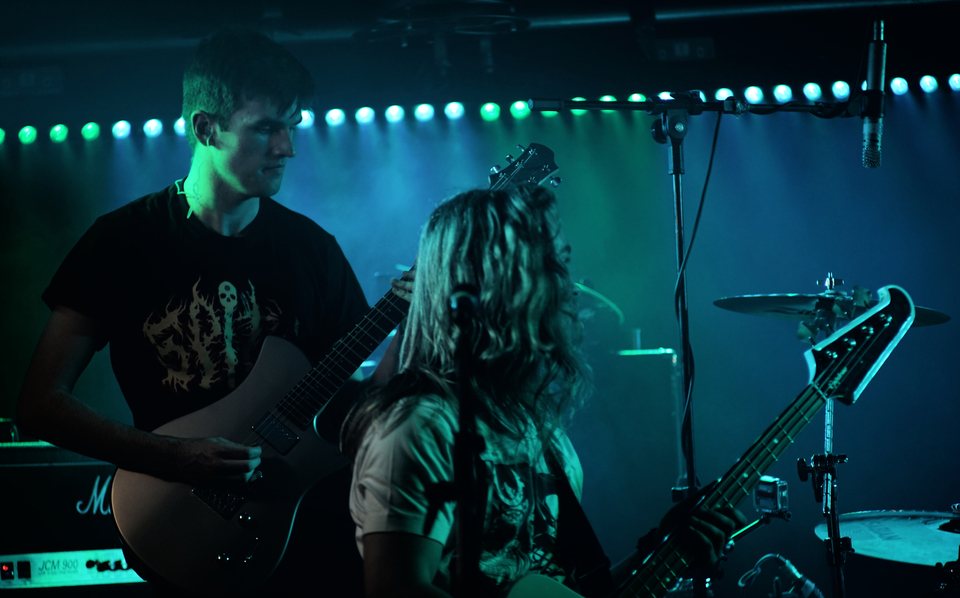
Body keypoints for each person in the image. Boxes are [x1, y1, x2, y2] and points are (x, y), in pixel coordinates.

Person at [15, 29, 410, 596]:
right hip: (179, 524)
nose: (288, 148)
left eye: (292, 126)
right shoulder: (121, 243)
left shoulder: (313, 250)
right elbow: (39, 405)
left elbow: (362, 404)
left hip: (310, 530)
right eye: (266, 128)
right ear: (206, 128)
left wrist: (410, 323)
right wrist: (174, 458)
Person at [343, 185, 746, 598]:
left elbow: (564, 588)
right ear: (499, 283)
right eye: (554, 263)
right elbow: (395, 588)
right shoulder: (422, 426)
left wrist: (661, 548)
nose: (572, 287)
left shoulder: (542, 433)